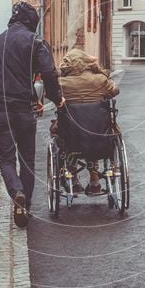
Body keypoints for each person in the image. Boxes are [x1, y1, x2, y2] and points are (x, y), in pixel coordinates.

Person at [0, 2, 64, 228]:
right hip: (23, 108)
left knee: (6, 159)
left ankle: (16, 192)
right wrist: (56, 98)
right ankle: (25, 205)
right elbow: (48, 72)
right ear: (32, 23)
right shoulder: (35, 42)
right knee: (27, 159)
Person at [52, 48, 119, 194]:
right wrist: (101, 73)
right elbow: (114, 91)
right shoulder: (100, 80)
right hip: (98, 135)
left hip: (71, 136)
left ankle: (74, 178)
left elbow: (50, 94)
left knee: (66, 134)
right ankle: (94, 180)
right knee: (94, 128)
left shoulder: (61, 83)